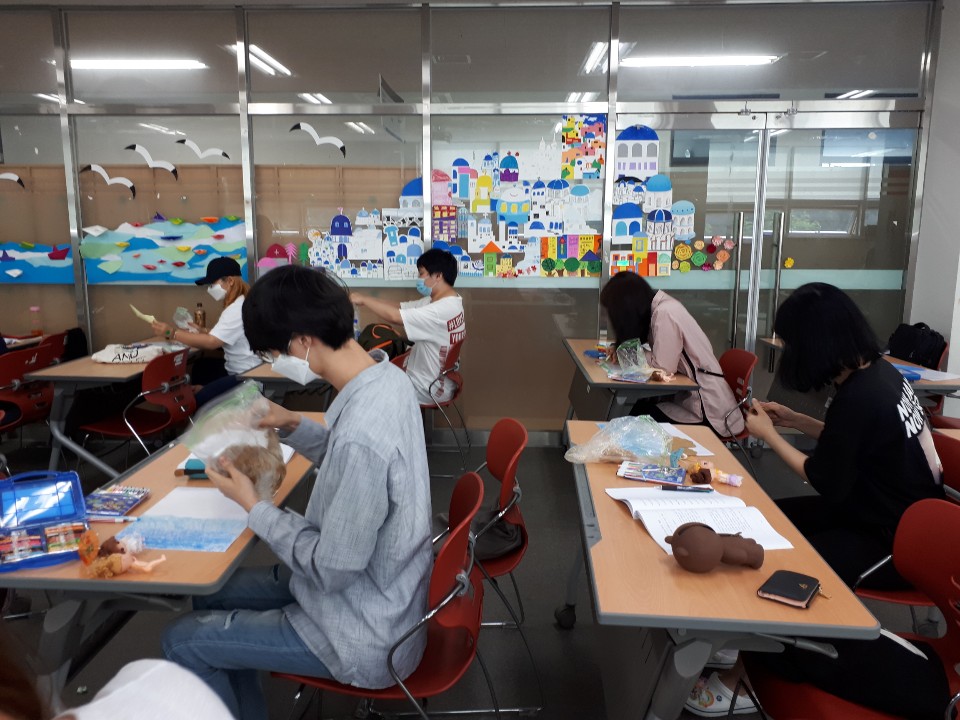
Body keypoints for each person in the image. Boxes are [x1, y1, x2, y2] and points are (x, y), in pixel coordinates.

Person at [161, 265, 433, 720]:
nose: (275, 362)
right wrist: (291, 423)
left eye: (275, 352)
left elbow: (332, 570)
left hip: (360, 629)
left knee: (181, 640)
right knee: (211, 594)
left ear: (304, 340)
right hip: (380, 592)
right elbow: (353, 465)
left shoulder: (362, 435)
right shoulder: (387, 379)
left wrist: (255, 506)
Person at [746, 282, 944, 589]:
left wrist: (769, 434)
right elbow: (852, 440)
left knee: (777, 559)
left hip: (895, 543)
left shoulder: (859, 396)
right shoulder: (880, 372)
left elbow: (825, 479)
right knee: (767, 520)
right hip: (901, 521)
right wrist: (795, 419)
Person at [599, 271, 744, 437]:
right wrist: (621, 346)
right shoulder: (661, 307)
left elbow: (664, 368)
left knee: (631, 415)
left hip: (707, 410)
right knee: (632, 410)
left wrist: (629, 352)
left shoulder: (665, 313)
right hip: (693, 398)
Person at [351, 248, 466, 405]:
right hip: (439, 378)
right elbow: (400, 307)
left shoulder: (440, 310)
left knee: (365, 385)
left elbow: (396, 317)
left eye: (422, 273)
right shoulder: (449, 301)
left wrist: (364, 300)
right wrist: (365, 299)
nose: (419, 278)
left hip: (429, 386)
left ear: (438, 276)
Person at [151, 257, 260, 407]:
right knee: (201, 367)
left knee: (194, 399)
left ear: (230, 281)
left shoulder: (236, 308)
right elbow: (232, 334)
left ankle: (201, 405)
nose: (210, 289)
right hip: (245, 370)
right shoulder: (244, 302)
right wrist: (204, 331)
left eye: (212, 284)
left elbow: (212, 342)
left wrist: (172, 333)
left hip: (246, 376)